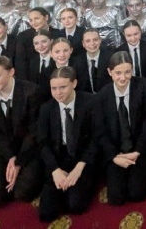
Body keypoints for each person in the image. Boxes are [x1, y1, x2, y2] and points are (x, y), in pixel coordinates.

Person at [36, 67, 99, 222]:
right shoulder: (46, 109)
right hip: (60, 158)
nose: (58, 92)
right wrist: (55, 170)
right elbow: (42, 143)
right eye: (54, 88)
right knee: (46, 214)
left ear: (74, 83)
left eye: (63, 87)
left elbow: (96, 138)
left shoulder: (91, 102)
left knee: (76, 206)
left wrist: (79, 168)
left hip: (83, 157)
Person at [0, 57, 44, 208]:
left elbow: (34, 132)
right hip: (7, 151)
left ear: (11, 72)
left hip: (31, 149)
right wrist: (10, 157)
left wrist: (19, 161)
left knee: (23, 194)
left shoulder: (32, 92)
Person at [96, 51, 146, 205]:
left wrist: (138, 151)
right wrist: (115, 157)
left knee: (137, 194)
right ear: (110, 72)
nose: (123, 77)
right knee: (116, 199)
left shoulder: (144, 86)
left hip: (138, 149)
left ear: (132, 70)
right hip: (116, 152)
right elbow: (101, 131)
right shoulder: (102, 95)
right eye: (118, 73)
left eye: (127, 72)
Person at [14, 8, 64, 84]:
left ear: (46, 17)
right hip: (31, 79)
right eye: (31, 20)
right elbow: (21, 63)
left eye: (36, 18)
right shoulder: (23, 36)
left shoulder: (59, 34)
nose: (34, 22)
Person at [73, 29, 111, 94]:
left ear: (100, 40)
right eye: (88, 41)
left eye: (95, 40)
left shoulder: (110, 58)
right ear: (83, 44)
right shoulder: (77, 62)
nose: (92, 43)